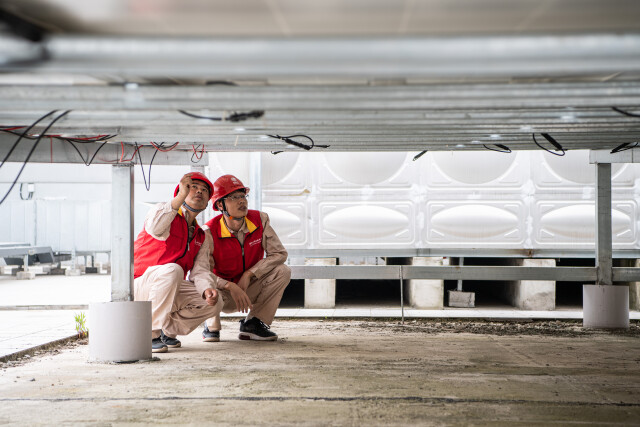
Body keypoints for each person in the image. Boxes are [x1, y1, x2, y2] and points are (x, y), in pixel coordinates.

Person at [133, 172, 223, 353]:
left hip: (167, 288)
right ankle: (150, 333)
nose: (199, 191)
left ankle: (167, 331)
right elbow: (155, 228)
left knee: (215, 302)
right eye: (193, 187)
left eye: (204, 190)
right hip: (139, 285)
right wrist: (179, 199)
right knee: (173, 270)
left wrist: (206, 289)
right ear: (180, 191)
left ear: (207, 202)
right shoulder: (163, 211)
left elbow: (200, 270)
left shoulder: (201, 235)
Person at [201, 174, 291, 341]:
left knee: (282, 271)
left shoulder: (259, 220)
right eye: (234, 197)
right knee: (206, 286)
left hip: (248, 288)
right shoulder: (209, 232)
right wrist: (229, 286)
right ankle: (211, 324)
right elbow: (202, 273)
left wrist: (250, 273)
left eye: (243, 196)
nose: (242, 201)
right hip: (222, 294)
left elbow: (279, 253)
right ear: (220, 204)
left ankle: (253, 324)